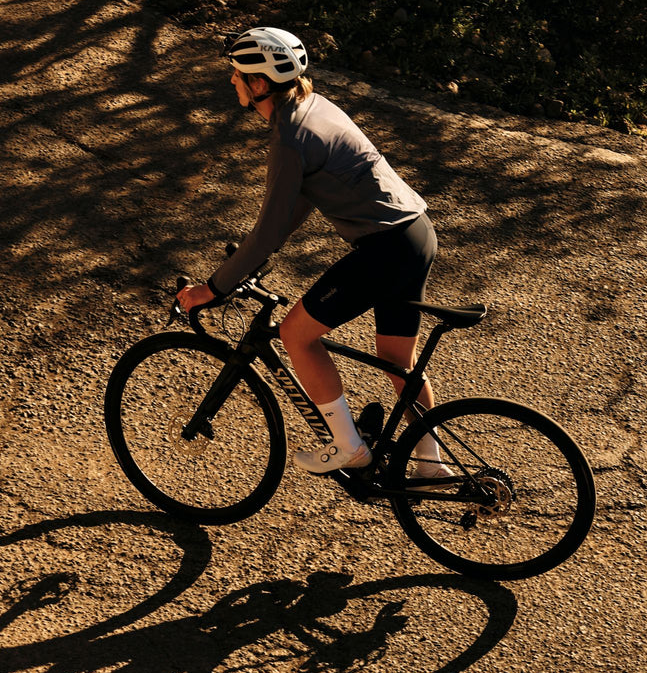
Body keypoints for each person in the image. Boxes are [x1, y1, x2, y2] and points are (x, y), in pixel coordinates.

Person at [176, 26, 447, 477]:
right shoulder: (313, 107)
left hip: (384, 250)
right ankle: (430, 465)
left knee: (295, 336)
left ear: (259, 84)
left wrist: (213, 287)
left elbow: (267, 230)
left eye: (238, 74)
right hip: (417, 233)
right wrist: (255, 258)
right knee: (398, 361)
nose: (232, 81)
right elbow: (297, 204)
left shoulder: (288, 138)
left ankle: (349, 446)